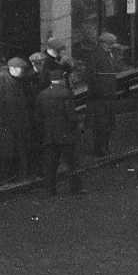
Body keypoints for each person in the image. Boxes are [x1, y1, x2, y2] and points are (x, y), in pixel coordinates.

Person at [35, 56, 86, 195]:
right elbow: (71, 116)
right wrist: (76, 127)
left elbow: (38, 117)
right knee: (71, 163)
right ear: (62, 79)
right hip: (65, 134)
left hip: (49, 135)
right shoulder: (66, 94)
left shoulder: (42, 95)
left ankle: (50, 190)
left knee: (51, 164)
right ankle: (75, 188)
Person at [0, 57, 38, 183]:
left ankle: (17, 177)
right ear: (12, 69)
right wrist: (5, 120)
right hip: (6, 125)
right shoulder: (1, 83)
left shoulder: (21, 81)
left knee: (20, 150)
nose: (23, 72)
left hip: (20, 123)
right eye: (21, 69)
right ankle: (4, 178)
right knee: (6, 152)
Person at [70, 24, 118, 159]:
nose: (112, 46)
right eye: (110, 44)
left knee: (108, 123)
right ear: (103, 43)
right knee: (100, 124)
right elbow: (90, 76)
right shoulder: (96, 55)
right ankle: (100, 149)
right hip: (99, 97)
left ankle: (105, 146)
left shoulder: (109, 54)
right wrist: (100, 90)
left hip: (109, 96)